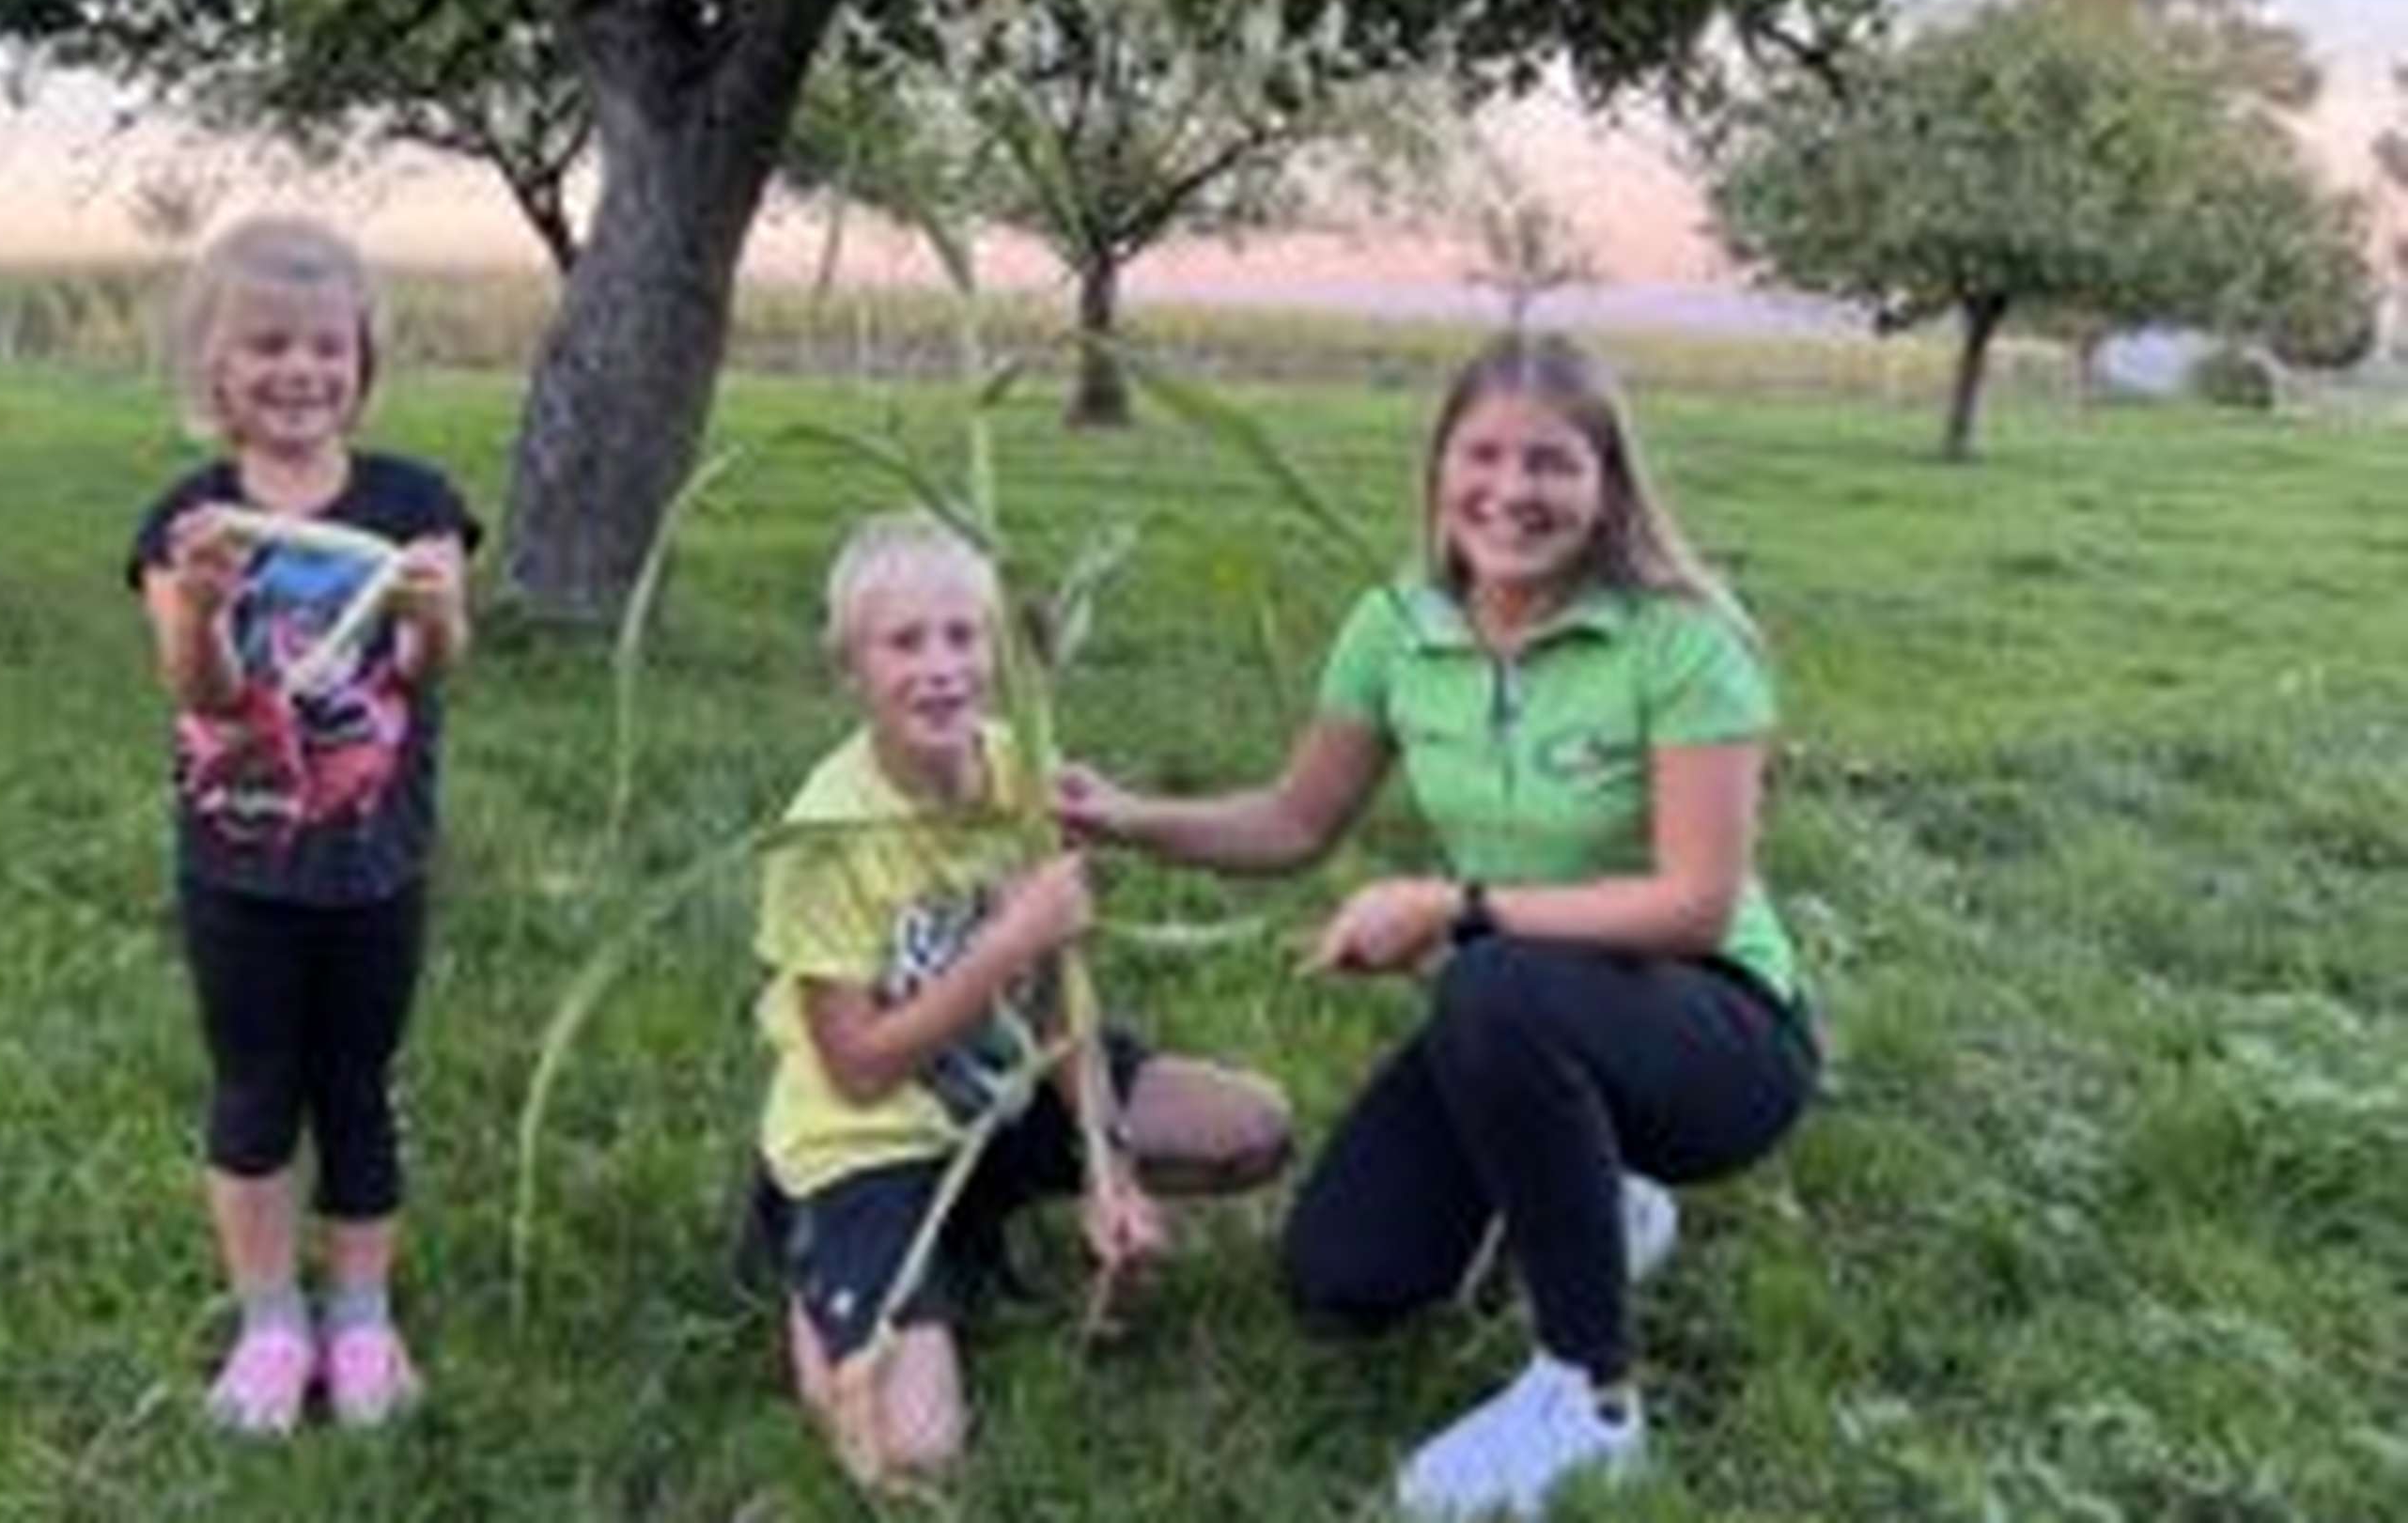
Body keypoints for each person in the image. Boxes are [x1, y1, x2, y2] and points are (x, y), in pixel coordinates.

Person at [1058, 334, 1818, 1521]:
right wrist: (1121, 818)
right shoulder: (1398, 627)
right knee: (1341, 1279)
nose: (1511, 492)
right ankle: (1600, 1197)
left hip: (1716, 1035)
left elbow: (1697, 903)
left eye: (1553, 463)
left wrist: (1456, 907)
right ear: (1439, 464)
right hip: (1520, 1014)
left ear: (1609, 484)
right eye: (1485, 454)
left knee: (1491, 978)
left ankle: (1590, 1399)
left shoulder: (1681, 642)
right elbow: (1295, 818)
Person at [750, 512, 1294, 1486]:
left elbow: (1055, 1007)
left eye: (963, 636)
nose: (941, 667)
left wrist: (1106, 1164)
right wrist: (1006, 939)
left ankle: (971, 1227)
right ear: (850, 670)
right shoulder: (824, 836)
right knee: (911, 1455)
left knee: (1252, 1128)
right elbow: (860, 1066)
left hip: (1002, 1090)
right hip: (869, 1139)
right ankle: (812, 1254)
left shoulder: (1018, 771)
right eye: (904, 642)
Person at [127, 216, 479, 1435]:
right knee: (255, 1086)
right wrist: (204, 609)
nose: (300, 370)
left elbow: (434, 667)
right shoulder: (192, 518)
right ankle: (272, 1322)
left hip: (375, 861)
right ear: (214, 367)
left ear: (362, 359)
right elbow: (205, 693)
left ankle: (363, 1316)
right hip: (240, 863)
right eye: (267, 344)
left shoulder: (413, 501)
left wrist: (433, 612)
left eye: (327, 345)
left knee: (359, 1087)